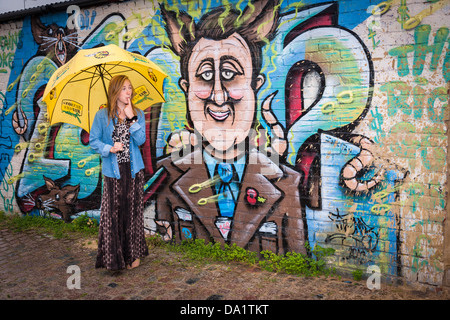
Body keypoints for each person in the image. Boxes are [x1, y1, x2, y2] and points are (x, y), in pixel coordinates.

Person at [155, 0, 306, 256]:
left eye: (229, 74)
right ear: (186, 89)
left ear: (255, 86)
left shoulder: (285, 182)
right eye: (203, 76)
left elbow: (297, 256)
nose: (219, 97)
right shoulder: (167, 175)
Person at [89, 74, 148, 270]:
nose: (128, 92)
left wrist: (132, 118)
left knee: (132, 214)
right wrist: (109, 148)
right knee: (113, 215)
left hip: (133, 172)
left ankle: (133, 255)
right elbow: (93, 141)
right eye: (124, 88)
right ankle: (114, 258)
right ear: (115, 91)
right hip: (113, 172)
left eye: (130, 88)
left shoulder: (137, 113)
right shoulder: (102, 116)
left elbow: (140, 140)